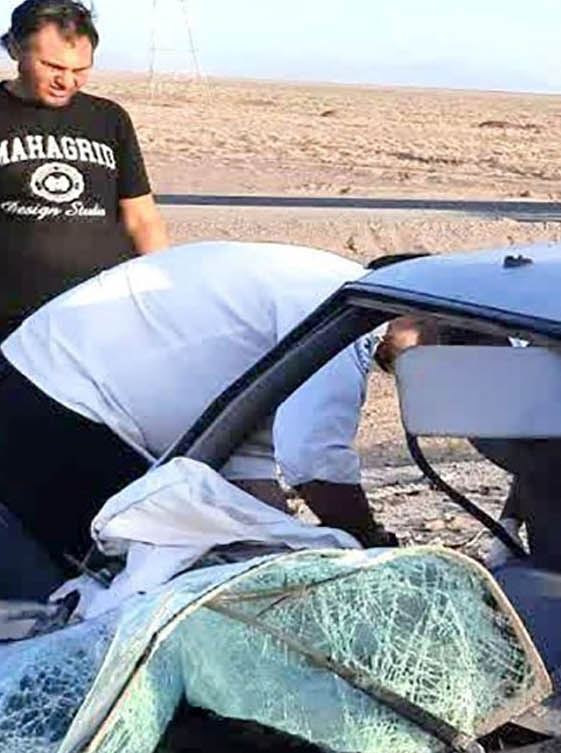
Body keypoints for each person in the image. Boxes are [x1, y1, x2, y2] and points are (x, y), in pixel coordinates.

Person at [0, 241, 395, 579]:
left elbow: (246, 469)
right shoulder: (348, 311)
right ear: (413, 317)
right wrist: (370, 547)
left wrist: (280, 552)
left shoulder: (328, 290)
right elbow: (314, 461)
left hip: (43, 381)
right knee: (112, 590)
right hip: (65, 399)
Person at [0, 0, 167, 340]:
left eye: (80, 70)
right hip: (12, 322)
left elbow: (141, 218)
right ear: (15, 48)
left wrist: (167, 288)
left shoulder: (109, 119)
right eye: (52, 66)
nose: (67, 81)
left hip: (101, 313)